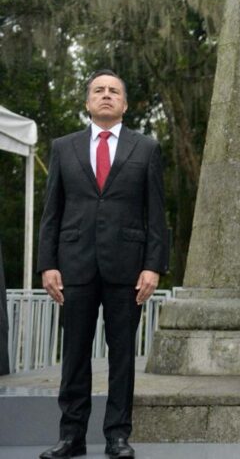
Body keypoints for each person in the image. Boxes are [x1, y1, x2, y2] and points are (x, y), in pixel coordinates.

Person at [37, 69, 168, 459]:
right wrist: (48, 264)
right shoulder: (64, 147)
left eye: (114, 91)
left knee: (123, 356)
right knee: (74, 354)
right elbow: (52, 212)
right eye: (99, 90)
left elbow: (156, 214)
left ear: (125, 104)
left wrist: (153, 266)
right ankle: (72, 436)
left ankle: (117, 436)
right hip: (73, 265)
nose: (106, 95)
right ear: (88, 102)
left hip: (127, 270)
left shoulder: (145, 149)